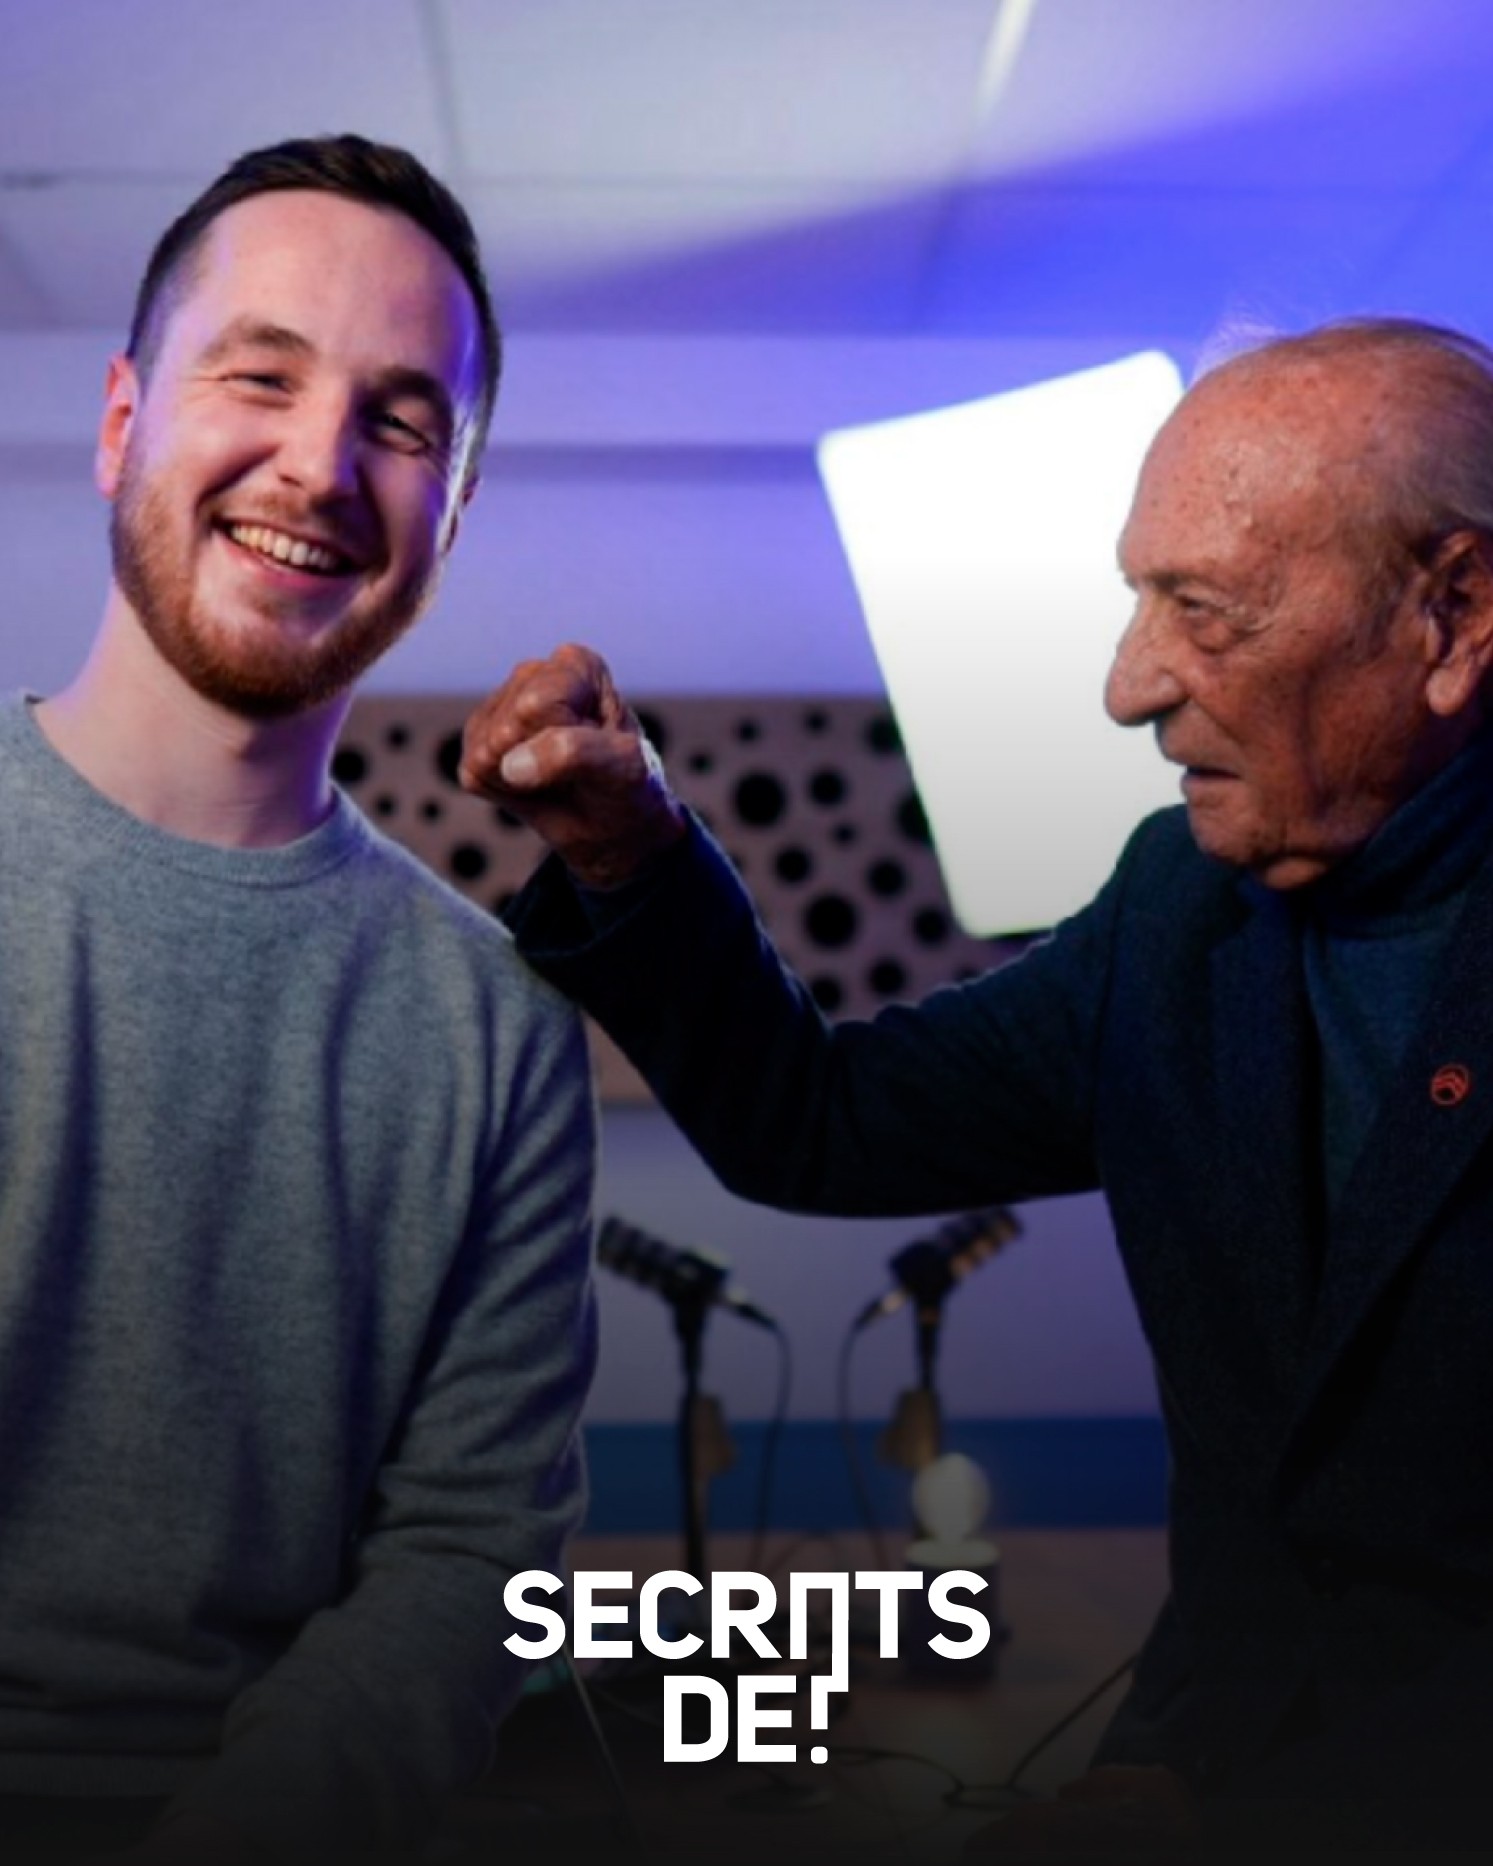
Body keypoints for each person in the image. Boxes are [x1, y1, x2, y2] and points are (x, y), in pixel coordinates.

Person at [463, 318, 1493, 1852]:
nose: (1126, 685)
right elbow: (819, 1119)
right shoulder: (1177, 906)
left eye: (1201, 612)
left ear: (1454, 612)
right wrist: (631, 850)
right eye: (1136, 598)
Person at [0, 136, 596, 1864]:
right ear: (124, 422)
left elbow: (472, 1565)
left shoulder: (498, 1033)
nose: (319, 462)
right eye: (258, 374)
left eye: (403, 424)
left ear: (453, 514)